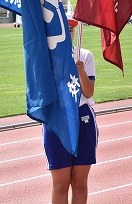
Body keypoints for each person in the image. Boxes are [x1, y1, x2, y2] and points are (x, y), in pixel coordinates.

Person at [43, 16, 98, 204]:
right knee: (60, 183)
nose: (68, 33)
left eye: (71, 29)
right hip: (57, 120)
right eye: (63, 29)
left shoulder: (85, 55)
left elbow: (89, 91)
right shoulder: (46, 58)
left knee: (80, 182)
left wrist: (80, 71)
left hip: (82, 117)